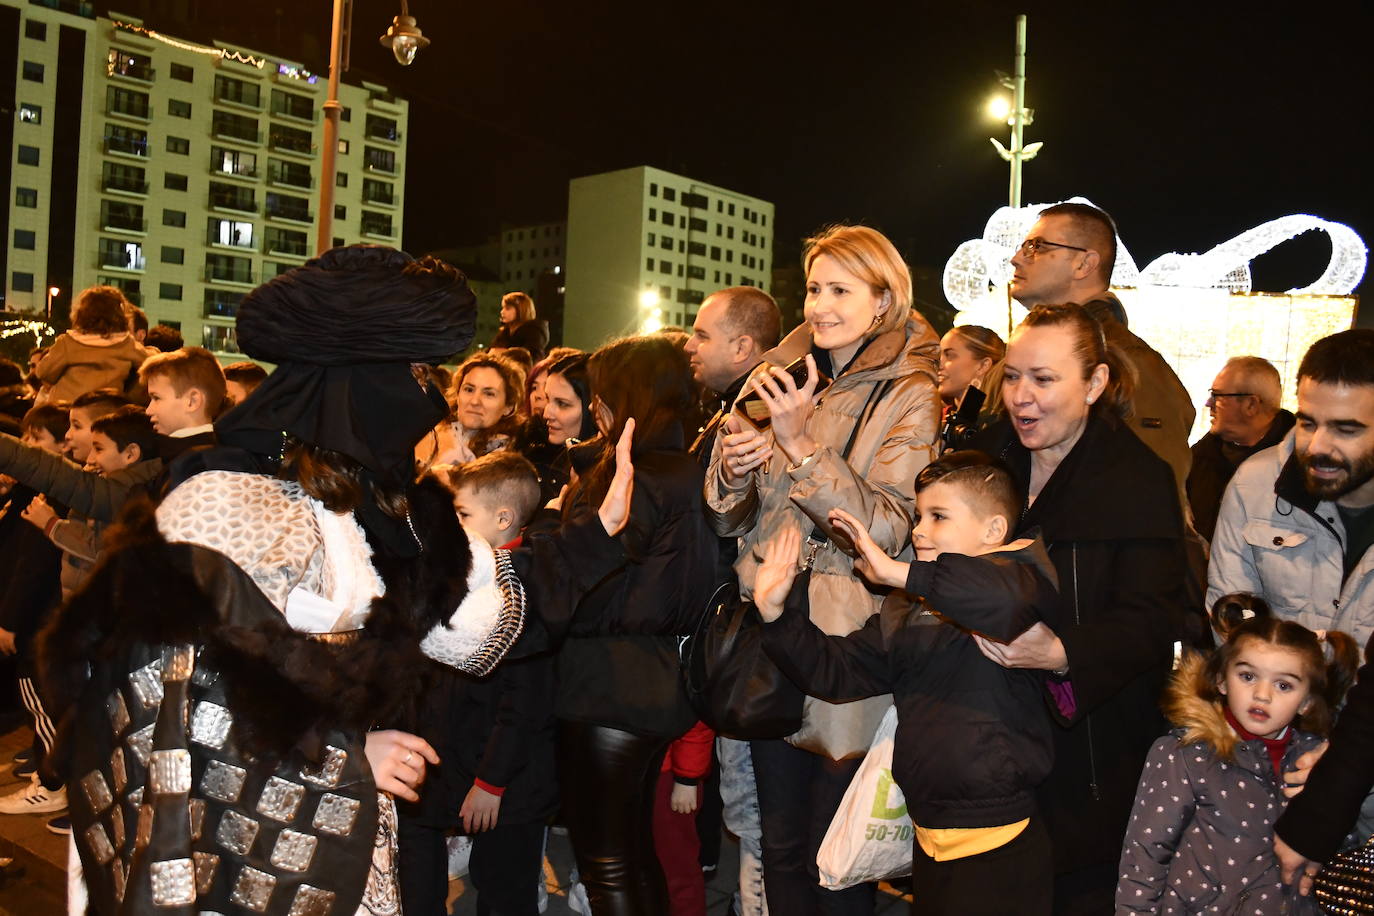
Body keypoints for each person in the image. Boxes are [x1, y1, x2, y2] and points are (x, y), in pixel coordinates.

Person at [34, 245, 633, 915]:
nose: (430, 395)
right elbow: (172, 697)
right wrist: (339, 758)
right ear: (358, 380)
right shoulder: (225, 499)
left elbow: (479, 627)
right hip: (242, 848)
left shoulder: (397, 503)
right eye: (414, 372)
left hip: (347, 834)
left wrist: (595, 539)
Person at [706, 224, 941, 915]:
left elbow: (893, 526)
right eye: (814, 288)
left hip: (846, 642)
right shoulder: (781, 377)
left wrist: (801, 444)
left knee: (836, 854)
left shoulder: (910, 392)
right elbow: (727, 519)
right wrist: (731, 472)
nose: (820, 306)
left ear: (883, 301)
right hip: (770, 628)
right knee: (775, 842)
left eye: (841, 289)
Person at [753, 451, 1059, 915]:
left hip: (1001, 839)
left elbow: (995, 599)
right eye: (918, 516)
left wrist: (899, 572)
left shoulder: (1020, 576)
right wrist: (776, 615)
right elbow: (836, 670)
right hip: (928, 835)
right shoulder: (905, 607)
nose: (918, 530)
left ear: (994, 531)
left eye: (938, 516)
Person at [971, 302, 1188, 913]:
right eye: (1012, 376)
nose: (1021, 396)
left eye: (1044, 379)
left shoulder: (1138, 480)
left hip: (1087, 755)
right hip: (983, 739)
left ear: (1094, 384)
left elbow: (1153, 618)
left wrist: (1064, 653)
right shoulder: (988, 460)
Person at [524, 334, 717, 916]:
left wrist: (548, 534)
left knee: (605, 862)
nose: (597, 405)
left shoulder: (630, 477)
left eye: (604, 394)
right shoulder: (688, 470)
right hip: (658, 682)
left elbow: (585, 587)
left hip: (607, 685)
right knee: (636, 853)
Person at [399, 451, 558, 916]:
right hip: (446, 757)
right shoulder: (453, 572)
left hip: (507, 780)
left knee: (505, 889)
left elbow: (527, 703)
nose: (451, 524)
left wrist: (491, 783)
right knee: (416, 871)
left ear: (503, 518)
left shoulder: (522, 591)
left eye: (462, 514)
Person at [1116, 613, 1357, 914]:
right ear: (1221, 680)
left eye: (1284, 685)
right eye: (1247, 676)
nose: (1262, 694)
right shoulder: (1185, 754)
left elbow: (1343, 855)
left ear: (1307, 702)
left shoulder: (1321, 764)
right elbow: (1144, 859)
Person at [683, 285, 781, 916]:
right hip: (746, 634)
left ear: (744, 346)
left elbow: (729, 530)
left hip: (757, 637)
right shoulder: (730, 408)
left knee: (759, 821)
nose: (689, 346)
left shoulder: (759, 410)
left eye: (701, 334)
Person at [1009, 202, 1195, 507]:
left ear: (1084, 264)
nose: (1017, 259)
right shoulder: (1023, 354)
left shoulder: (1131, 365)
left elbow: (1152, 499)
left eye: (1037, 246)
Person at [1208, 329, 1374, 646]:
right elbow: (1231, 630)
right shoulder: (1255, 485)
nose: (1317, 446)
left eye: (1346, 429)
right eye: (1308, 423)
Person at [1187, 356, 1296, 542]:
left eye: (1217, 395)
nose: (1208, 404)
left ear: (1251, 404)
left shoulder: (1297, 467)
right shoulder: (1198, 459)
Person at [34, 285, 148, 405]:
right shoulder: (126, 344)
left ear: (81, 313)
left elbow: (43, 372)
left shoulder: (68, 342)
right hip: (105, 410)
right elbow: (148, 366)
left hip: (66, 409)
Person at [653, 719, 715, 916]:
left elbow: (696, 714)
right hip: (630, 764)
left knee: (678, 869)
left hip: (668, 771)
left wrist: (687, 776)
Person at [421, 353, 525, 469]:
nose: (475, 401)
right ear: (457, 394)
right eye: (469, 390)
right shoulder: (429, 433)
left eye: (489, 394)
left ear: (509, 407)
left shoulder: (510, 459)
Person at [937, 324, 1005, 451]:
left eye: (950, 355)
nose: (939, 364)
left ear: (983, 366)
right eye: (939, 355)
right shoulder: (937, 418)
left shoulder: (997, 426)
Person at [491, 291, 549, 362]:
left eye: (508, 308)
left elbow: (532, 359)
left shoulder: (533, 333)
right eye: (502, 308)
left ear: (521, 310)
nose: (502, 312)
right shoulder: (504, 333)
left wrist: (503, 353)